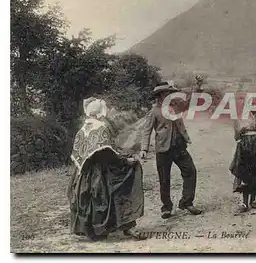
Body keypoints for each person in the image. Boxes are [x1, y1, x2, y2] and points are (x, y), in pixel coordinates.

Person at [67, 97, 146, 241]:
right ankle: (126, 226)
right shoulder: (101, 127)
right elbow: (107, 154)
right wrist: (125, 160)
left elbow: (80, 153)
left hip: (83, 173)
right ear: (99, 113)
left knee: (89, 197)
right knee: (118, 188)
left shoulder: (82, 129)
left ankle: (94, 230)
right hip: (100, 170)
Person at [140, 76, 204, 219]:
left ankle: (186, 202)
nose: (169, 95)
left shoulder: (176, 106)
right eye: (167, 93)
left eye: (170, 93)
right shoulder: (154, 112)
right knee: (164, 178)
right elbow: (146, 131)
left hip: (179, 146)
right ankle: (166, 207)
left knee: (190, 171)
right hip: (163, 149)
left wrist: (198, 86)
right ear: (160, 95)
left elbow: (191, 102)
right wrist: (144, 149)